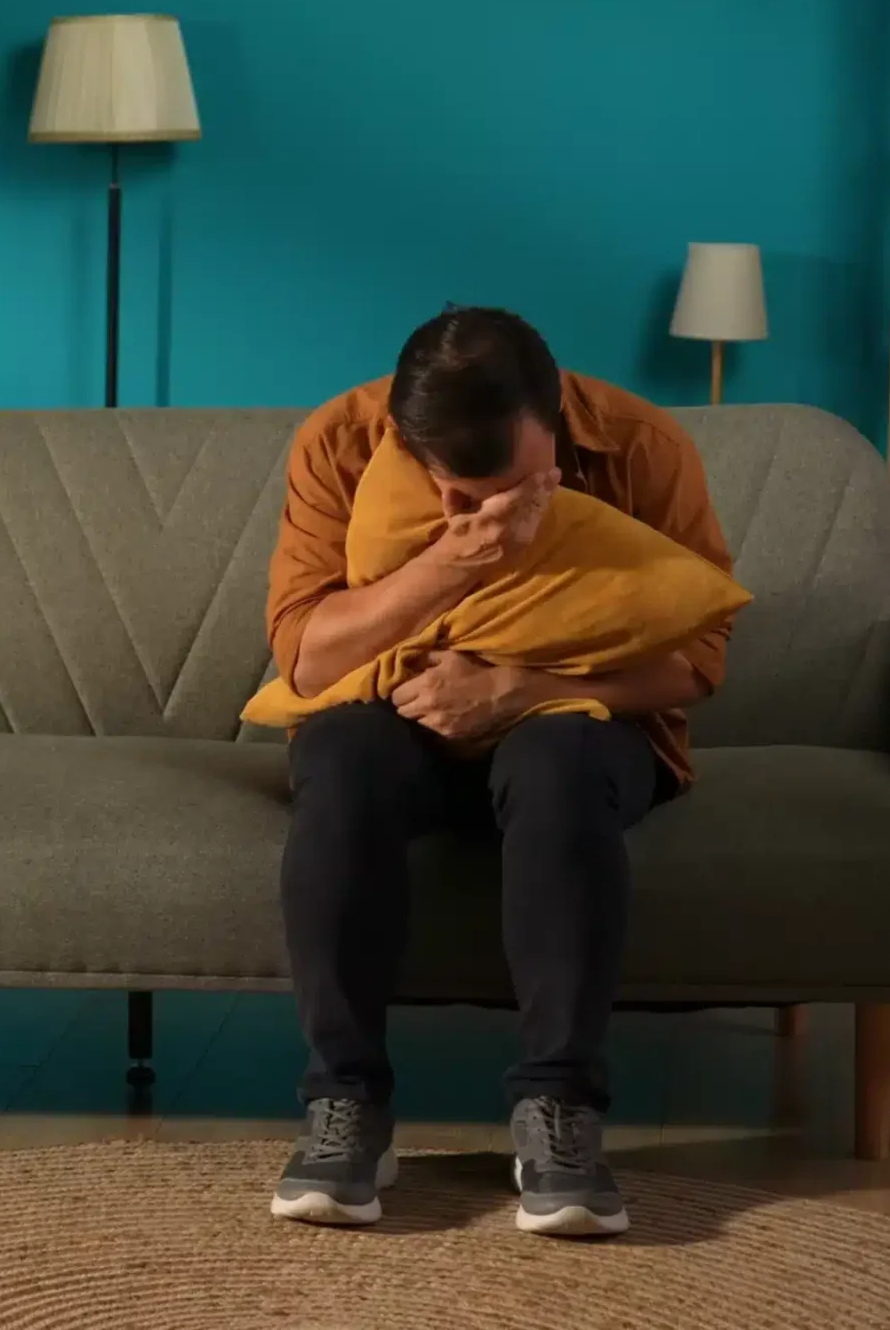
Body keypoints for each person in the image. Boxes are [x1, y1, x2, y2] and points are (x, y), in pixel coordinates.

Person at [260, 306, 732, 1238]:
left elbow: (704, 659)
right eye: (449, 489)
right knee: (344, 760)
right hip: (396, 720)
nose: (477, 511)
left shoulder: (642, 444)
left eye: (509, 488)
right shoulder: (339, 440)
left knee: (558, 760)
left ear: (554, 425)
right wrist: (448, 565)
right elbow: (303, 659)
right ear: (404, 441)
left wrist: (525, 687)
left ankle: (560, 1114)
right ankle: (344, 1105)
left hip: (577, 721)